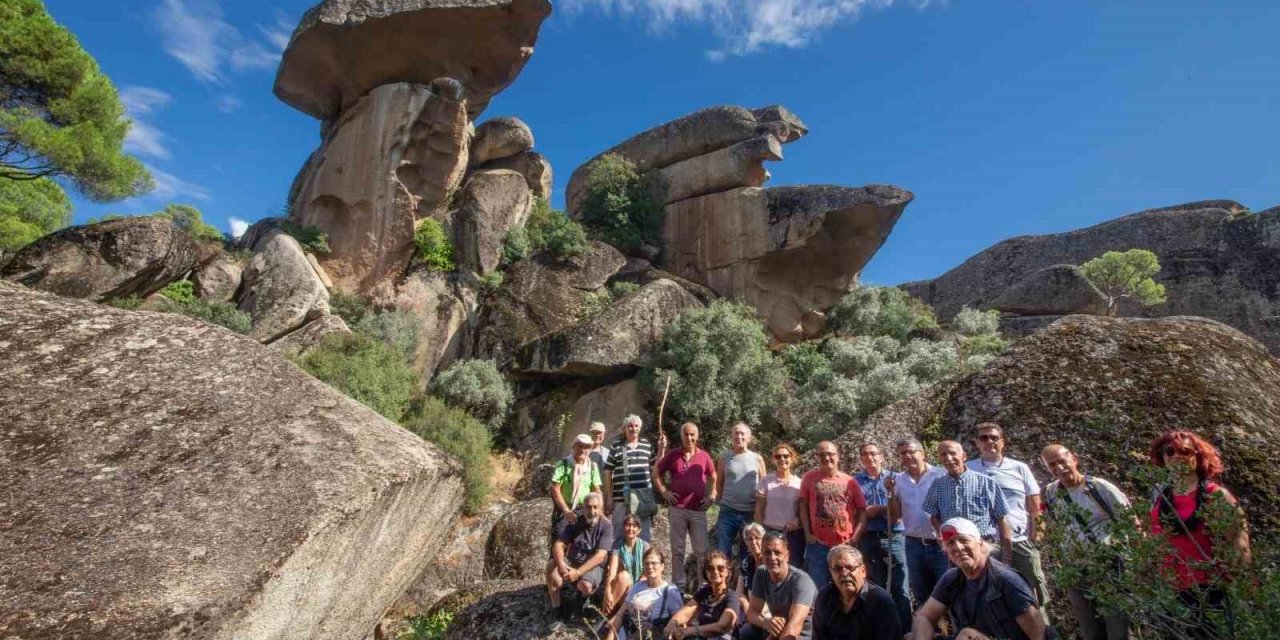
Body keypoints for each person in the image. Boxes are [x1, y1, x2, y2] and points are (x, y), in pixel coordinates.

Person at [1148, 430, 1251, 640]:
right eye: (1169, 451)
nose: (1177, 455)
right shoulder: (1160, 498)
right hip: (1171, 593)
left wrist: (1242, 595)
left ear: (1198, 456)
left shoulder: (1217, 496)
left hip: (1212, 594)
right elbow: (1155, 543)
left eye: (1185, 451)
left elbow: (1240, 550)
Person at [1040, 444, 1131, 640]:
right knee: (1089, 628)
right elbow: (1055, 527)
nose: (1059, 468)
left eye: (1062, 461)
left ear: (1074, 459)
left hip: (1108, 566)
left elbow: (1131, 522)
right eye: (1052, 465)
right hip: (1075, 569)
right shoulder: (1051, 493)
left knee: (1117, 625)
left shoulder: (1099, 487)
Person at [910, 518, 1048, 640]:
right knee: (911, 637)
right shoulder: (951, 579)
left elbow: (1039, 634)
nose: (958, 547)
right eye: (951, 543)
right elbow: (924, 617)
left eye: (964, 540)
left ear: (980, 543)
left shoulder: (1006, 580)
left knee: (967, 635)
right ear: (945, 549)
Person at [967, 423, 1049, 611]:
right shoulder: (967, 469)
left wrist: (1036, 538)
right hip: (984, 544)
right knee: (990, 597)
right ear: (976, 443)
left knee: (1033, 595)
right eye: (984, 438)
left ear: (1003, 442)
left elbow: (1036, 506)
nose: (989, 442)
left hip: (1019, 542)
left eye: (994, 437)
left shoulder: (1020, 468)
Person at [922, 440, 1012, 565]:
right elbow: (934, 517)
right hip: (955, 549)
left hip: (983, 546)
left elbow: (1002, 520)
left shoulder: (986, 482)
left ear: (963, 456)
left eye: (953, 453)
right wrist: (941, 534)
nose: (948, 458)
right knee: (959, 583)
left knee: (987, 583)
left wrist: (1007, 556)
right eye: (943, 455)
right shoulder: (938, 484)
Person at [654, 422, 718, 590]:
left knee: (702, 551)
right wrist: (664, 492)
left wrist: (711, 496)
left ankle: (703, 586)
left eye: (692, 435)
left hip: (698, 511)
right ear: (681, 436)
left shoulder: (704, 456)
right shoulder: (673, 455)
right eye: (686, 435)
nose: (689, 438)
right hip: (677, 510)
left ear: (697, 436)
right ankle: (679, 587)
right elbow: (656, 473)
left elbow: (714, 476)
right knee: (677, 550)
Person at [854, 442, 910, 629]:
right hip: (868, 537)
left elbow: (900, 510)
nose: (869, 457)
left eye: (873, 453)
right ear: (861, 458)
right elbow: (855, 511)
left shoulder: (896, 479)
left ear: (881, 456)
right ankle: (879, 628)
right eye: (865, 454)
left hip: (893, 536)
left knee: (900, 586)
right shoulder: (855, 482)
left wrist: (878, 509)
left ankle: (905, 629)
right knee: (872, 585)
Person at [800, 441, 867, 593]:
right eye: (822, 455)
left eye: (830, 454)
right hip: (818, 545)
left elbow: (862, 511)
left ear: (838, 456)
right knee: (818, 590)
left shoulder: (850, 481)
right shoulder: (809, 478)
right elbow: (803, 506)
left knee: (848, 588)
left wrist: (855, 537)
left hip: (845, 544)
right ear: (817, 457)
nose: (827, 458)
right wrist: (807, 534)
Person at [891, 437, 949, 609]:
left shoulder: (941, 474)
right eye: (903, 453)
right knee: (920, 592)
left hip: (940, 543)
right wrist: (890, 493)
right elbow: (895, 515)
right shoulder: (898, 480)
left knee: (948, 590)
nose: (908, 456)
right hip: (913, 544)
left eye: (911, 451)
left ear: (922, 454)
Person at [546, 492, 614, 622]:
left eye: (595, 507)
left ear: (600, 508)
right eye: (588, 507)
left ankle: (585, 600)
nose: (592, 511)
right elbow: (558, 545)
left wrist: (577, 573)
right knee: (552, 565)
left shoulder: (606, 526)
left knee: (585, 585)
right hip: (573, 563)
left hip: (593, 567)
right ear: (583, 507)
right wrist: (560, 563)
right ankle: (557, 608)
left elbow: (600, 556)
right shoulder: (576, 521)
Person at [811, 545, 903, 640]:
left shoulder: (881, 601)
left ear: (863, 571)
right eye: (837, 569)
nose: (844, 573)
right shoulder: (825, 598)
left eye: (850, 567)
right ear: (830, 572)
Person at [741, 532, 818, 640]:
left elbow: (794, 626)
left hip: (801, 634)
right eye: (767, 553)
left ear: (786, 556)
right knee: (747, 631)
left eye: (777, 553)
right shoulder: (761, 573)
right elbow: (752, 612)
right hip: (777, 630)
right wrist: (765, 622)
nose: (772, 557)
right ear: (762, 554)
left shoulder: (802, 581)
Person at [604, 414, 667, 542]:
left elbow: (656, 469)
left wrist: (661, 450)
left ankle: (642, 560)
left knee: (644, 536)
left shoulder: (646, 445)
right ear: (625, 428)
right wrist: (609, 497)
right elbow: (608, 472)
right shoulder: (616, 446)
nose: (633, 428)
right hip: (621, 498)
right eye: (630, 426)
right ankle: (620, 561)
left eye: (636, 426)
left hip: (642, 498)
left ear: (640, 428)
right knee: (619, 533)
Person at [604, 547, 684, 640]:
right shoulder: (638, 586)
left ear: (662, 566)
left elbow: (680, 620)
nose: (650, 567)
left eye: (654, 563)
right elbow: (620, 614)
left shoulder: (669, 591)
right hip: (627, 634)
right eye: (646, 563)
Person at [663, 550, 745, 639]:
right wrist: (673, 623)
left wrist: (691, 630)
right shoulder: (704, 592)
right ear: (706, 572)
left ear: (727, 572)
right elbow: (687, 612)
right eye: (710, 568)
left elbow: (723, 626)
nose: (715, 571)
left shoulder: (732, 597)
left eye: (720, 568)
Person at [716, 422, 766, 561]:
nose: (739, 436)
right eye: (736, 433)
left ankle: (747, 582)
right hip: (728, 512)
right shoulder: (724, 457)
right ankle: (723, 582)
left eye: (742, 433)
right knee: (722, 552)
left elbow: (764, 485)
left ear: (749, 438)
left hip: (750, 513)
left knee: (750, 553)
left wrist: (760, 512)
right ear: (732, 437)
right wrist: (718, 501)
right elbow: (719, 482)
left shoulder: (757, 459)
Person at [756, 442, 805, 566]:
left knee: (793, 566)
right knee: (770, 566)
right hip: (769, 531)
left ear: (792, 458)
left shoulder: (800, 483)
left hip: (793, 534)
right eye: (778, 456)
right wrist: (759, 533)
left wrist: (798, 522)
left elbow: (804, 510)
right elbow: (758, 509)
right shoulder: (765, 481)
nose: (782, 459)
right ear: (773, 460)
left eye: (786, 456)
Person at [551, 433, 604, 536]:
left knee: (584, 541)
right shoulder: (563, 464)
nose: (583, 449)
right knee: (560, 539)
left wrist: (600, 510)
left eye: (587, 447)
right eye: (580, 445)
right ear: (574, 446)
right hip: (566, 508)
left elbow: (596, 489)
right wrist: (566, 510)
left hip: (586, 509)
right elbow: (555, 488)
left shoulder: (592, 467)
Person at [603, 514, 650, 617]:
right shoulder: (617, 545)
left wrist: (634, 589)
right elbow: (612, 571)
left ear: (639, 530)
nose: (631, 529)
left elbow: (646, 574)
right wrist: (607, 591)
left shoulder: (645, 546)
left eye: (634, 526)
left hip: (639, 588)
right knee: (623, 576)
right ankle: (606, 617)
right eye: (628, 525)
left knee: (624, 577)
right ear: (624, 527)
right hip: (623, 586)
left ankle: (606, 618)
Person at [737, 523, 766, 597]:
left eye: (757, 538)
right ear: (746, 543)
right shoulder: (745, 564)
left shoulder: (771, 562)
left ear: (764, 540)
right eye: (750, 539)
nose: (753, 542)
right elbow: (739, 592)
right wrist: (747, 607)